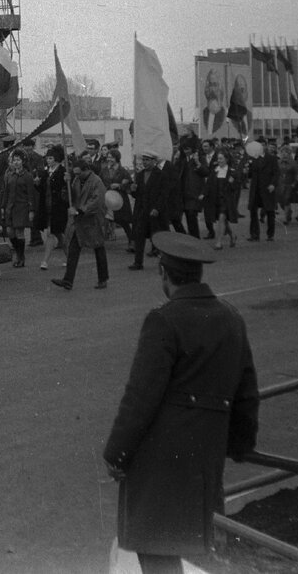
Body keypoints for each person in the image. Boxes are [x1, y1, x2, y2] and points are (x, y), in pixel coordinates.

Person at [103, 232, 260, 573]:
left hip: (163, 460)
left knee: (158, 554)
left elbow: (140, 397)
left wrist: (116, 453)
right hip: (205, 458)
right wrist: (240, 445)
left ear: (163, 273)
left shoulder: (164, 319)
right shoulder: (231, 317)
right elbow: (247, 393)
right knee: (195, 546)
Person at [52, 151, 109, 291]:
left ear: (86, 170)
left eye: (78, 173)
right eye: (75, 173)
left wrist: (80, 210)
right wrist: (67, 184)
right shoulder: (76, 180)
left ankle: (103, 278)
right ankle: (68, 280)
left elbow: (96, 201)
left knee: (98, 248)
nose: (76, 175)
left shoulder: (97, 181)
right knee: (73, 249)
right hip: (79, 221)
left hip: (93, 220)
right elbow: (69, 197)